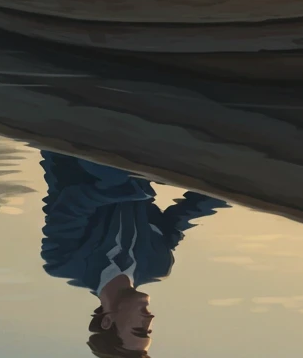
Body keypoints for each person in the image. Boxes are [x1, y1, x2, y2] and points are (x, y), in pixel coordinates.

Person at [38, 151, 229, 357]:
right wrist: (229, 191)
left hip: (80, 154)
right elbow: (183, 216)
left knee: (114, 175)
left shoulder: (63, 262)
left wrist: (133, 189)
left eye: (139, 329)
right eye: (149, 330)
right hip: (143, 159)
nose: (150, 319)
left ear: (107, 321)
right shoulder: (158, 264)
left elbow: (74, 203)